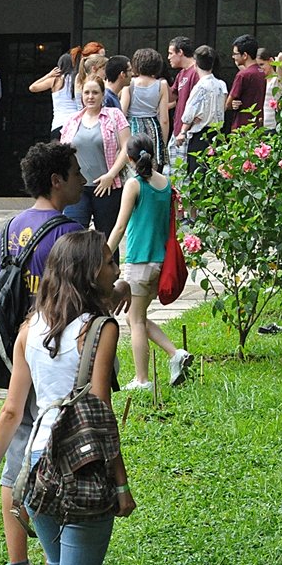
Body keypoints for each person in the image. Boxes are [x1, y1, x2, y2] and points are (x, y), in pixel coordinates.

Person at [0, 229, 135, 565]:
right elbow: (100, 413)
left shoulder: (30, 327)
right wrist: (120, 483)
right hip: (82, 464)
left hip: (37, 464)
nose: (115, 269)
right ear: (90, 272)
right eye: (109, 263)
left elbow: (11, 411)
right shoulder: (102, 330)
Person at [0, 142, 127, 565]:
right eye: (75, 172)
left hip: (24, 351)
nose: (83, 181)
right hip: (65, 360)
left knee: (19, 458)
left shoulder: (9, 228)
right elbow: (86, 299)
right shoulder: (70, 235)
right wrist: (119, 289)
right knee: (62, 457)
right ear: (57, 180)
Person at [107, 134, 193, 390]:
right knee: (137, 317)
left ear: (129, 159)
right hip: (160, 262)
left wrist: (103, 255)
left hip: (139, 261)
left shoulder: (134, 185)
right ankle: (176, 354)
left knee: (135, 321)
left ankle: (142, 379)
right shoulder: (165, 183)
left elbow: (120, 226)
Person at [60, 76, 131, 246]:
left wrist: (111, 175)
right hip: (77, 189)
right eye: (87, 93)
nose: (90, 97)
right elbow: (62, 153)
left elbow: (127, 147)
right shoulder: (72, 120)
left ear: (102, 94)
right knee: (73, 238)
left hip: (107, 187)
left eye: (95, 92)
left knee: (107, 240)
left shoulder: (114, 115)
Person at [175, 46, 227, 176]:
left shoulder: (200, 87)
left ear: (196, 64)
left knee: (198, 174)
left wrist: (182, 132)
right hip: (217, 133)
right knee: (215, 174)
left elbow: (188, 114)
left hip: (200, 135)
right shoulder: (221, 84)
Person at [121, 48, 169, 172]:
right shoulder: (162, 85)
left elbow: (122, 113)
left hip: (133, 127)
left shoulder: (129, 84)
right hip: (153, 127)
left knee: (133, 166)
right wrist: (163, 143)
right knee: (152, 167)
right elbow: (164, 119)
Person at [29, 52, 82, 140]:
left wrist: (49, 75)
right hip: (75, 124)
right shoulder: (77, 79)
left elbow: (32, 87)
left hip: (58, 123)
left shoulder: (54, 80)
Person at [226, 34, 265, 131]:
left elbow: (228, 104)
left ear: (245, 55)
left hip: (242, 126)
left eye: (235, 54)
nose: (233, 57)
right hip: (257, 125)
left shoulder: (243, 75)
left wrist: (231, 104)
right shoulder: (262, 72)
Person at [257, 48, 282, 132]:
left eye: (262, 64)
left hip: (272, 126)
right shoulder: (258, 80)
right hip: (259, 126)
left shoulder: (276, 79)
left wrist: (276, 62)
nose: (260, 68)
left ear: (270, 61)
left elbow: (281, 56)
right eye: (257, 66)